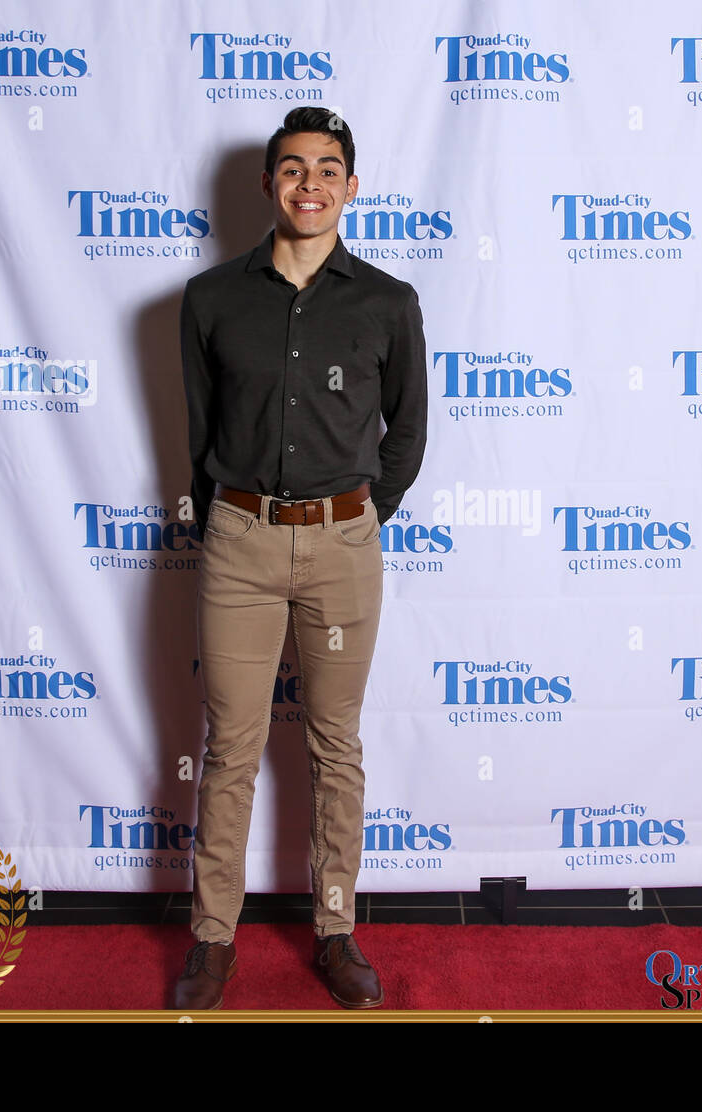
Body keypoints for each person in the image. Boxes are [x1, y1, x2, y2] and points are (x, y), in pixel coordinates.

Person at [174, 107, 427, 1009]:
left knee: (334, 746)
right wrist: (234, 527)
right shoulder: (210, 300)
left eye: (328, 169)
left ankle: (335, 929)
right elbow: (201, 437)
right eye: (292, 168)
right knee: (231, 745)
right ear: (269, 184)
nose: (309, 184)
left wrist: (353, 522)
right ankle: (212, 939)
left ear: (351, 188)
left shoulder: (389, 302)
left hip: (343, 546)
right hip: (238, 546)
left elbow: (407, 438)